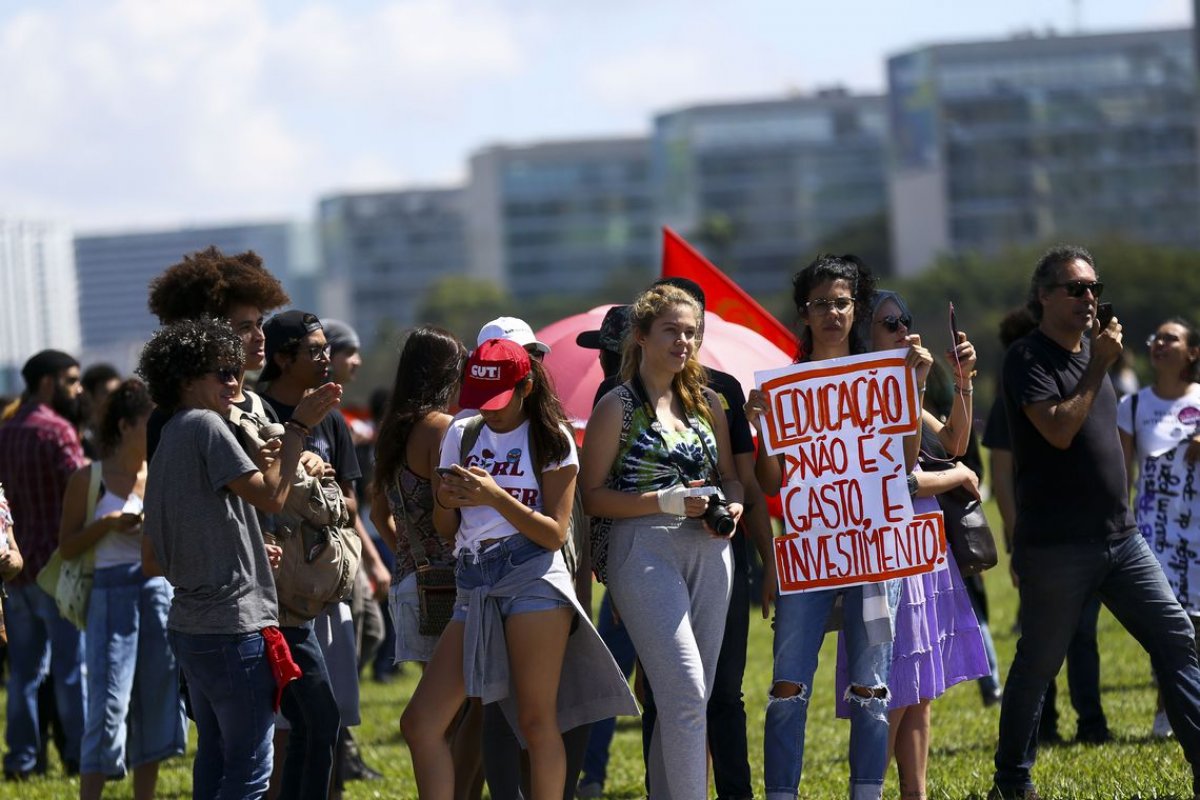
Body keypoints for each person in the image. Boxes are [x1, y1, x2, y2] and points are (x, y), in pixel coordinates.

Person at [991, 245, 1200, 800]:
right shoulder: (1028, 359)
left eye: (1094, 288)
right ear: (1044, 297)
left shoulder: (1091, 353)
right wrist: (1100, 365)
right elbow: (1058, 430)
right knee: (1039, 663)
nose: (1090, 298)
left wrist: (1097, 361)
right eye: (1076, 288)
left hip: (1121, 539)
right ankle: (1011, 780)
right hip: (1058, 546)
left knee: (1176, 637)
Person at [146, 247, 345, 799]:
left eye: (259, 327)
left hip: (213, 612)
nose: (253, 344)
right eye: (240, 332)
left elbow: (205, 512)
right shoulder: (202, 423)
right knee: (259, 761)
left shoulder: (193, 419)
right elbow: (270, 497)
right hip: (234, 616)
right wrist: (299, 431)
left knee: (220, 754)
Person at [402, 338, 636, 800]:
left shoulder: (552, 439)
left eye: (498, 400)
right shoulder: (461, 433)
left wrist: (494, 496)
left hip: (532, 578)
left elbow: (554, 533)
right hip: (473, 582)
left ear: (526, 386)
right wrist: (446, 501)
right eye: (479, 400)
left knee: (534, 721)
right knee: (421, 722)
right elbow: (447, 528)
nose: (487, 411)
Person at [745, 254, 926, 800]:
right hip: (808, 554)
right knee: (787, 685)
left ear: (856, 309)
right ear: (804, 313)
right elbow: (771, 480)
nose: (831, 313)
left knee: (872, 687)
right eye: (820, 303)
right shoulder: (786, 387)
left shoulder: (882, 380)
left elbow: (905, 459)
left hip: (873, 553)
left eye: (841, 303)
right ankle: (782, 793)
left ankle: (866, 792)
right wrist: (764, 427)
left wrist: (912, 391)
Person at [581, 284, 745, 798]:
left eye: (691, 332)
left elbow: (731, 476)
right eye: (671, 331)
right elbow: (592, 497)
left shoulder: (708, 401)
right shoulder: (618, 406)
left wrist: (733, 504)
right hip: (643, 549)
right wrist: (665, 501)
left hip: (711, 551)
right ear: (642, 336)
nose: (683, 342)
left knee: (685, 701)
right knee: (686, 692)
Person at [837, 290, 989, 800]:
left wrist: (963, 382)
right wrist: (959, 477)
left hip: (921, 554)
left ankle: (915, 794)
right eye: (890, 324)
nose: (904, 330)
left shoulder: (902, 393)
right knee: (891, 689)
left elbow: (952, 443)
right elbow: (898, 482)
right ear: (867, 338)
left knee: (919, 689)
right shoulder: (856, 399)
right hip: (884, 555)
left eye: (906, 321)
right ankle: (869, 792)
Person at [259, 310, 382, 796]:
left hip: (326, 587)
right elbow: (261, 499)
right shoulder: (257, 414)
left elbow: (352, 506)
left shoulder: (333, 419)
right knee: (285, 726)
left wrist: (321, 484)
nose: (325, 357)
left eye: (326, 348)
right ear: (283, 359)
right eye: (313, 350)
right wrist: (294, 464)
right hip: (275, 593)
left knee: (329, 718)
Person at [983, 307, 1108, 743]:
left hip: (1089, 532)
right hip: (1044, 538)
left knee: (1078, 637)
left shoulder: (1082, 378)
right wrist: (1017, 540)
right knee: (1046, 643)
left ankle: (1089, 724)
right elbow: (1001, 473)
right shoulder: (1015, 394)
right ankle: (1050, 726)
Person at [57, 378, 185, 800]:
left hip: (157, 592)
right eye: (152, 420)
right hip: (110, 595)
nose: (161, 428)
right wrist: (109, 525)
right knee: (108, 704)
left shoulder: (162, 474)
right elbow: (68, 546)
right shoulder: (89, 477)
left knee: (156, 699)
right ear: (127, 425)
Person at [369, 326, 482, 799]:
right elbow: (452, 510)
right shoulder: (443, 428)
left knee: (447, 711)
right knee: (460, 712)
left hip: (410, 585)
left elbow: (378, 513)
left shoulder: (393, 430)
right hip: (448, 589)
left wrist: (412, 557)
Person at [0, 349, 88, 780]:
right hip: (58, 569)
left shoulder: (6, 430)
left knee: (24, 675)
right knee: (71, 671)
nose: (79, 389)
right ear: (48, 383)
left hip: (14, 571)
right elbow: (86, 486)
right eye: (72, 380)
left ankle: (21, 759)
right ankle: (77, 756)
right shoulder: (58, 432)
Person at [1118, 317, 1200, 740]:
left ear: (1192, 353)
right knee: (1169, 625)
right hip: (1155, 533)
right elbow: (1123, 474)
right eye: (1156, 337)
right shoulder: (1133, 407)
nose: (1160, 343)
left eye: (1172, 338)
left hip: (1198, 530)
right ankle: (1166, 708)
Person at [79, 364, 121, 460]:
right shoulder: (78, 436)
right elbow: (96, 473)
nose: (115, 399)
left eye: (118, 393)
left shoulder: (126, 432)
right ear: (88, 395)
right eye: (107, 393)